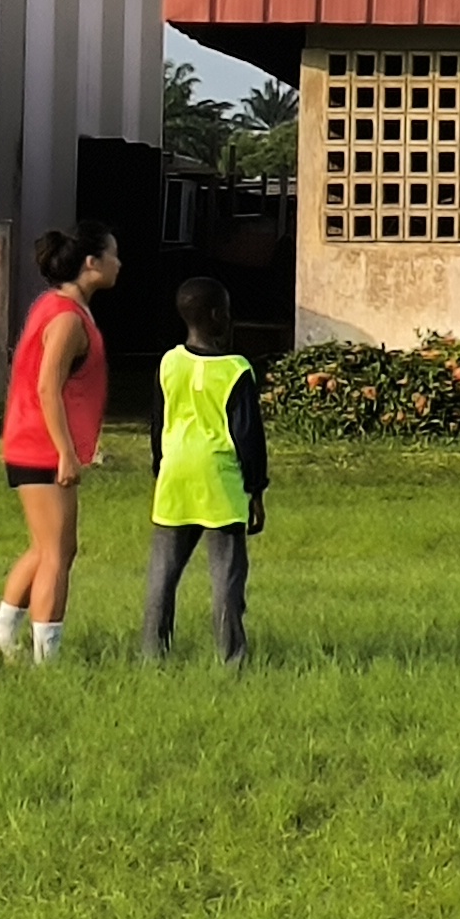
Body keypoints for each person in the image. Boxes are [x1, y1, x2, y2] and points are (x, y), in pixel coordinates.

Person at [0, 227, 120, 664]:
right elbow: (47, 387)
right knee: (59, 554)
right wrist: (65, 451)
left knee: (46, 548)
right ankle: (47, 657)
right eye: (113, 255)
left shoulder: (57, 306)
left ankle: (1, 638)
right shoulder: (66, 318)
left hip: (31, 442)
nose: (119, 264)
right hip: (41, 447)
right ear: (91, 264)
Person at [142, 276, 268, 668]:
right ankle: (232, 659)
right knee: (226, 579)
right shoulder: (236, 370)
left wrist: (159, 466)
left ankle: (152, 655)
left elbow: (158, 422)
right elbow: (248, 435)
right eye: (227, 311)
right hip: (219, 480)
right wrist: (256, 488)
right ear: (217, 316)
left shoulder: (169, 362)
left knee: (162, 576)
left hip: (175, 475)